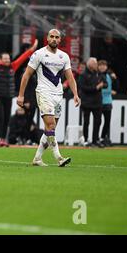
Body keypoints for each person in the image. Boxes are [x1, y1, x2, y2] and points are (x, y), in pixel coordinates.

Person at [17, 28, 79, 167]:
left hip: (58, 95)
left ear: (60, 39)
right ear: (47, 38)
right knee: (50, 125)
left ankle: (37, 159)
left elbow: (70, 76)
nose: (54, 39)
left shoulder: (64, 56)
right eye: (52, 36)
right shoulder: (39, 54)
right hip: (43, 93)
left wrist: (75, 94)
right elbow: (26, 75)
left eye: (57, 37)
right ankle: (59, 157)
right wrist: (21, 95)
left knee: (50, 128)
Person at [0, 37, 38, 147]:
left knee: (7, 118)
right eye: (5, 58)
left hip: (8, 96)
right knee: (0, 117)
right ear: (1, 59)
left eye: (8, 58)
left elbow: (22, 58)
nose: (8, 60)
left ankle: (4, 139)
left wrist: (32, 50)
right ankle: (0, 139)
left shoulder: (12, 66)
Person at [78, 57, 107, 148]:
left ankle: (95, 140)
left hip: (97, 102)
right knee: (86, 122)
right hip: (86, 102)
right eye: (95, 64)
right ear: (90, 65)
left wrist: (103, 85)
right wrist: (96, 88)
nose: (96, 66)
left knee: (98, 121)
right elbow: (83, 88)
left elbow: (105, 84)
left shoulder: (99, 74)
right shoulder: (83, 75)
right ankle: (86, 139)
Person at [98, 60, 119, 146]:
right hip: (98, 101)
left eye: (104, 65)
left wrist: (115, 79)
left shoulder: (109, 75)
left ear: (106, 67)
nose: (102, 67)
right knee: (98, 121)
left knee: (107, 121)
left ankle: (103, 137)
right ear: (98, 66)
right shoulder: (96, 75)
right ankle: (96, 138)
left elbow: (117, 87)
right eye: (100, 65)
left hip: (108, 101)